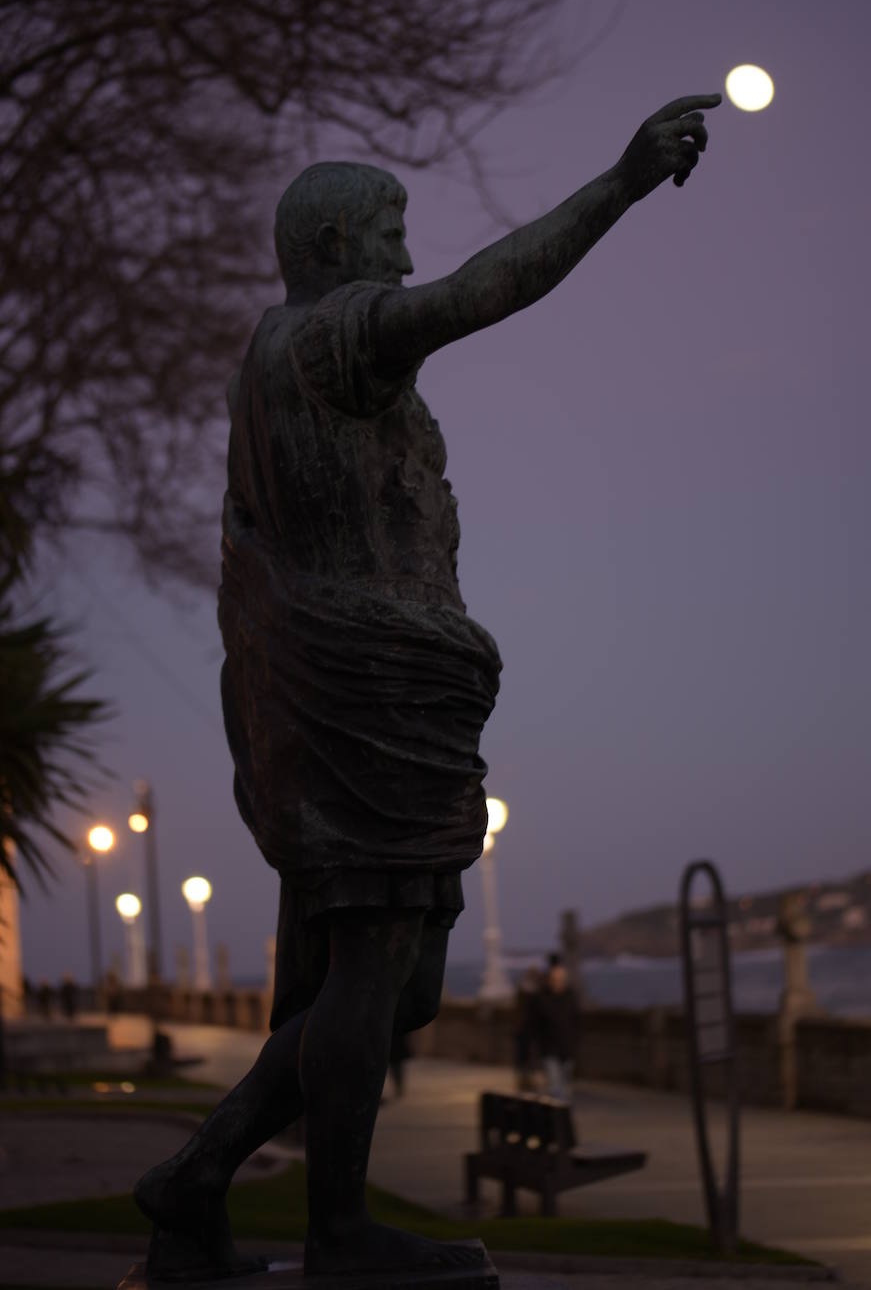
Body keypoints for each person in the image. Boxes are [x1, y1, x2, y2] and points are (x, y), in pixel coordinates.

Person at [134, 92, 719, 1280]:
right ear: (338, 248)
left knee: (396, 987)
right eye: (392, 231)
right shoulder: (328, 337)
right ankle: (337, 1232)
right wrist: (618, 183)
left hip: (361, 692)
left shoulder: (273, 359)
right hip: (366, 693)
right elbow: (481, 293)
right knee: (371, 970)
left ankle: (197, 1178)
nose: (409, 253)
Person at [537, 954, 580, 1104]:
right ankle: (557, 1122)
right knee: (555, 1089)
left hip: (566, 1049)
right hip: (550, 1048)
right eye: (555, 980)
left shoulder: (570, 997)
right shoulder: (543, 997)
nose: (558, 983)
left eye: (561, 980)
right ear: (550, 980)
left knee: (565, 1088)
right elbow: (537, 1023)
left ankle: (561, 1119)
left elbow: (575, 1022)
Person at [513, 964, 544, 1092]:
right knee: (528, 1056)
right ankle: (526, 1079)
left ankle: (524, 1078)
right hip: (529, 1029)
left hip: (524, 1029)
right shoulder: (535, 992)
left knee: (523, 1056)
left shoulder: (522, 991)